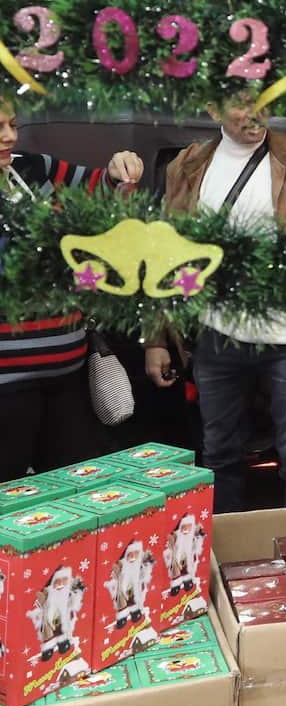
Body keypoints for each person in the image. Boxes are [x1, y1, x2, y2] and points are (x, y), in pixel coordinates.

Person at [143, 90, 286, 513]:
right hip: (216, 337)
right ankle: (225, 558)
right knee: (218, 456)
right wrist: (157, 338)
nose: (255, 113)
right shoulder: (188, 165)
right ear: (213, 108)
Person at [0, 96, 144, 481]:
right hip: (8, 383)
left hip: (68, 369)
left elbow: (100, 189)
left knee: (72, 493)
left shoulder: (32, 168)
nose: (9, 136)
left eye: (13, 124)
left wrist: (118, 171)